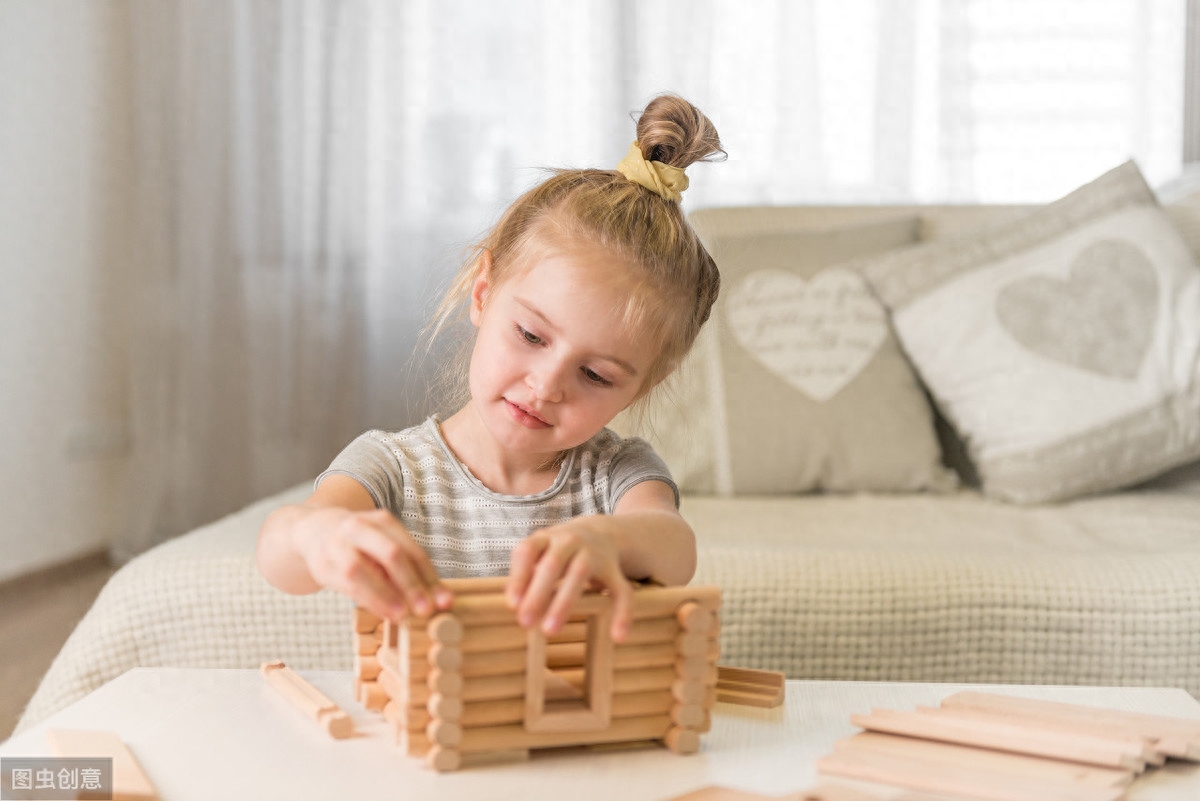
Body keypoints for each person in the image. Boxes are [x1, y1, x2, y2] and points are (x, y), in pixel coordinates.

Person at [256, 93, 724, 642]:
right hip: (430, 721)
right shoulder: (393, 468)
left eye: (595, 375)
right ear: (483, 293)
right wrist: (319, 537)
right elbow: (279, 551)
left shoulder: (617, 477)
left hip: (567, 723)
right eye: (530, 335)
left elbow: (674, 547)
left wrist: (611, 542)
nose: (546, 385)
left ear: (648, 382)